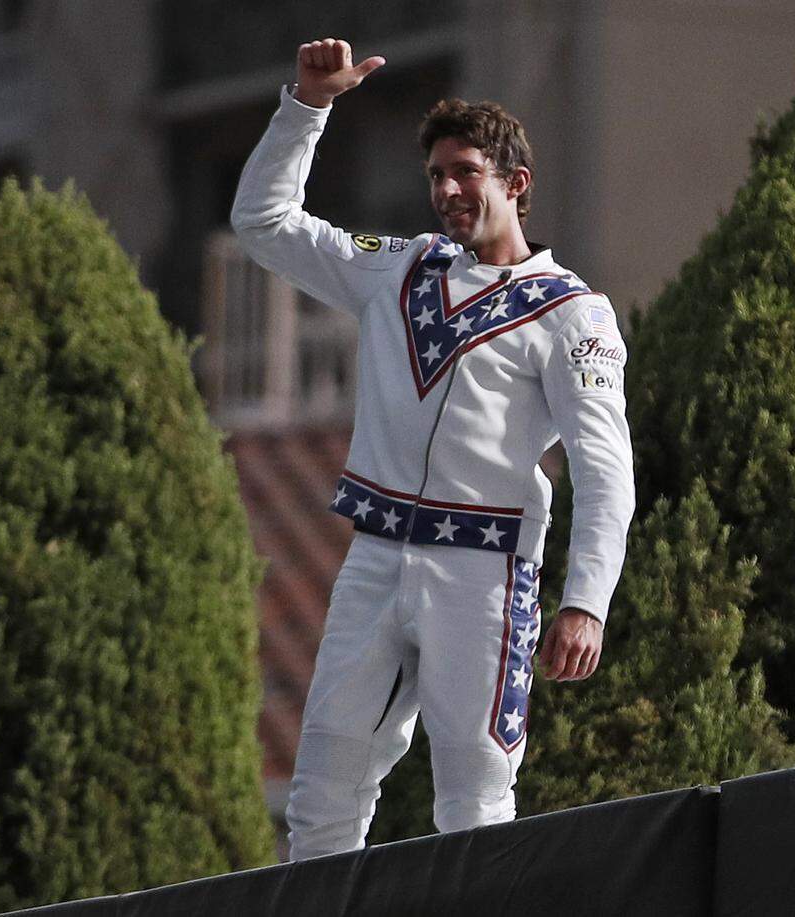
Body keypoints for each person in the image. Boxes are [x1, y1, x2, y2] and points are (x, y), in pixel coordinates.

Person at [231, 38, 635, 861]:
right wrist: (307, 106)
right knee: (321, 796)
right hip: (375, 557)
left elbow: (605, 470)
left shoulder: (572, 315)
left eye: (466, 173)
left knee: (477, 799)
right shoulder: (400, 268)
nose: (447, 191)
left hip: (483, 573)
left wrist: (586, 599)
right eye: (436, 176)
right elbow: (265, 223)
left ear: (515, 184)